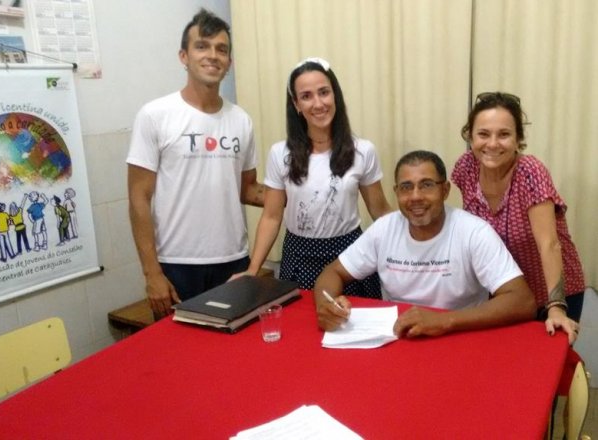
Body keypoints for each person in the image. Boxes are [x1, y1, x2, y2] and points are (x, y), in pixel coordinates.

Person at [127, 9, 264, 317]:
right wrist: (152, 274)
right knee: (179, 360)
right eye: (202, 46)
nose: (213, 55)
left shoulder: (241, 120)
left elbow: (249, 190)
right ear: (184, 56)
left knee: (233, 356)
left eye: (222, 49)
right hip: (176, 265)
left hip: (233, 261)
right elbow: (139, 198)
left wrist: (297, 192)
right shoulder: (155, 115)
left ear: (229, 62)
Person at [314, 150, 539, 338]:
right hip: (399, 338)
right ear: (396, 193)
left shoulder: (473, 232)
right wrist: (326, 306)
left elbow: (522, 300)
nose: (415, 197)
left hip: (459, 337)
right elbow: (333, 272)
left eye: (427, 185)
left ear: (445, 190)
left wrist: (444, 320)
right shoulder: (385, 228)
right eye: (406, 187)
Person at [234, 58, 391, 298]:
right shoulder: (280, 153)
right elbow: (271, 216)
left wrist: (418, 243)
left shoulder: (363, 150)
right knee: (301, 330)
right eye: (306, 96)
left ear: (335, 96)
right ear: (296, 104)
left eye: (324, 92)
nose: (318, 103)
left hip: (348, 257)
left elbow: (380, 211)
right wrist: (253, 269)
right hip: (298, 256)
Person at [451, 92, 584, 344]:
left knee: (546, 366)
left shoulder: (530, 172)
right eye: (483, 134)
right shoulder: (465, 168)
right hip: (505, 291)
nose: (492, 143)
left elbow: (549, 244)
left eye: (503, 134)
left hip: (550, 289)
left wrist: (556, 306)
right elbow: (472, 232)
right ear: (470, 136)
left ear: (518, 139)